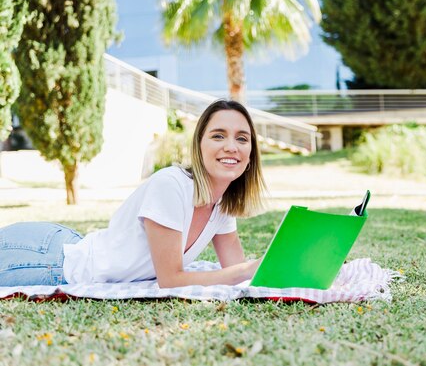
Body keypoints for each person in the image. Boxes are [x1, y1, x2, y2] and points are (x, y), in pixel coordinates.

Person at [0, 100, 265, 288]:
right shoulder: (171, 185)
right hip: (50, 261)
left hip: (68, 245)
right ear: (199, 146)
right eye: (218, 136)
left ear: (251, 153)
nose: (232, 146)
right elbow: (171, 279)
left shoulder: (222, 205)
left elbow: (238, 270)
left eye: (242, 139)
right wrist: (244, 270)